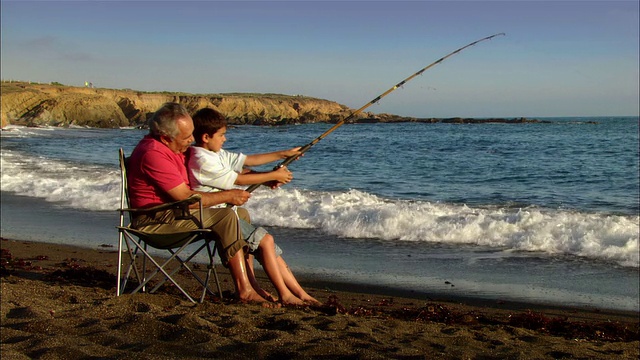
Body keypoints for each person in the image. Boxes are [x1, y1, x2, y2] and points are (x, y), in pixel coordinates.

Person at [126, 102, 268, 304]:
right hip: (156, 220)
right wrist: (228, 196)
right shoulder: (153, 153)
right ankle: (244, 290)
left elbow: (216, 172)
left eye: (192, 134)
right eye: (186, 137)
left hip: (173, 213)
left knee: (240, 214)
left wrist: (264, 177)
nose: (192, 140)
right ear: (166, 138)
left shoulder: (174, 149)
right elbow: (186, 198)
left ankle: (252, 284)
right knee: (227, 217)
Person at [187, 107, 319, 306]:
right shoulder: (201, 159)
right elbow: (237, 179)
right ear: (206, 137)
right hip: (217, 217)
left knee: (270, 246)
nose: (225, 139)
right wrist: (272, 176)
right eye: (222, 135)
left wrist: (284, 154)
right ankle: (285, 295)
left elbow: (246, 161)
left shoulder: (215, 153)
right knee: (266, 240)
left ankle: (300, 293)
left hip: (226, 214)